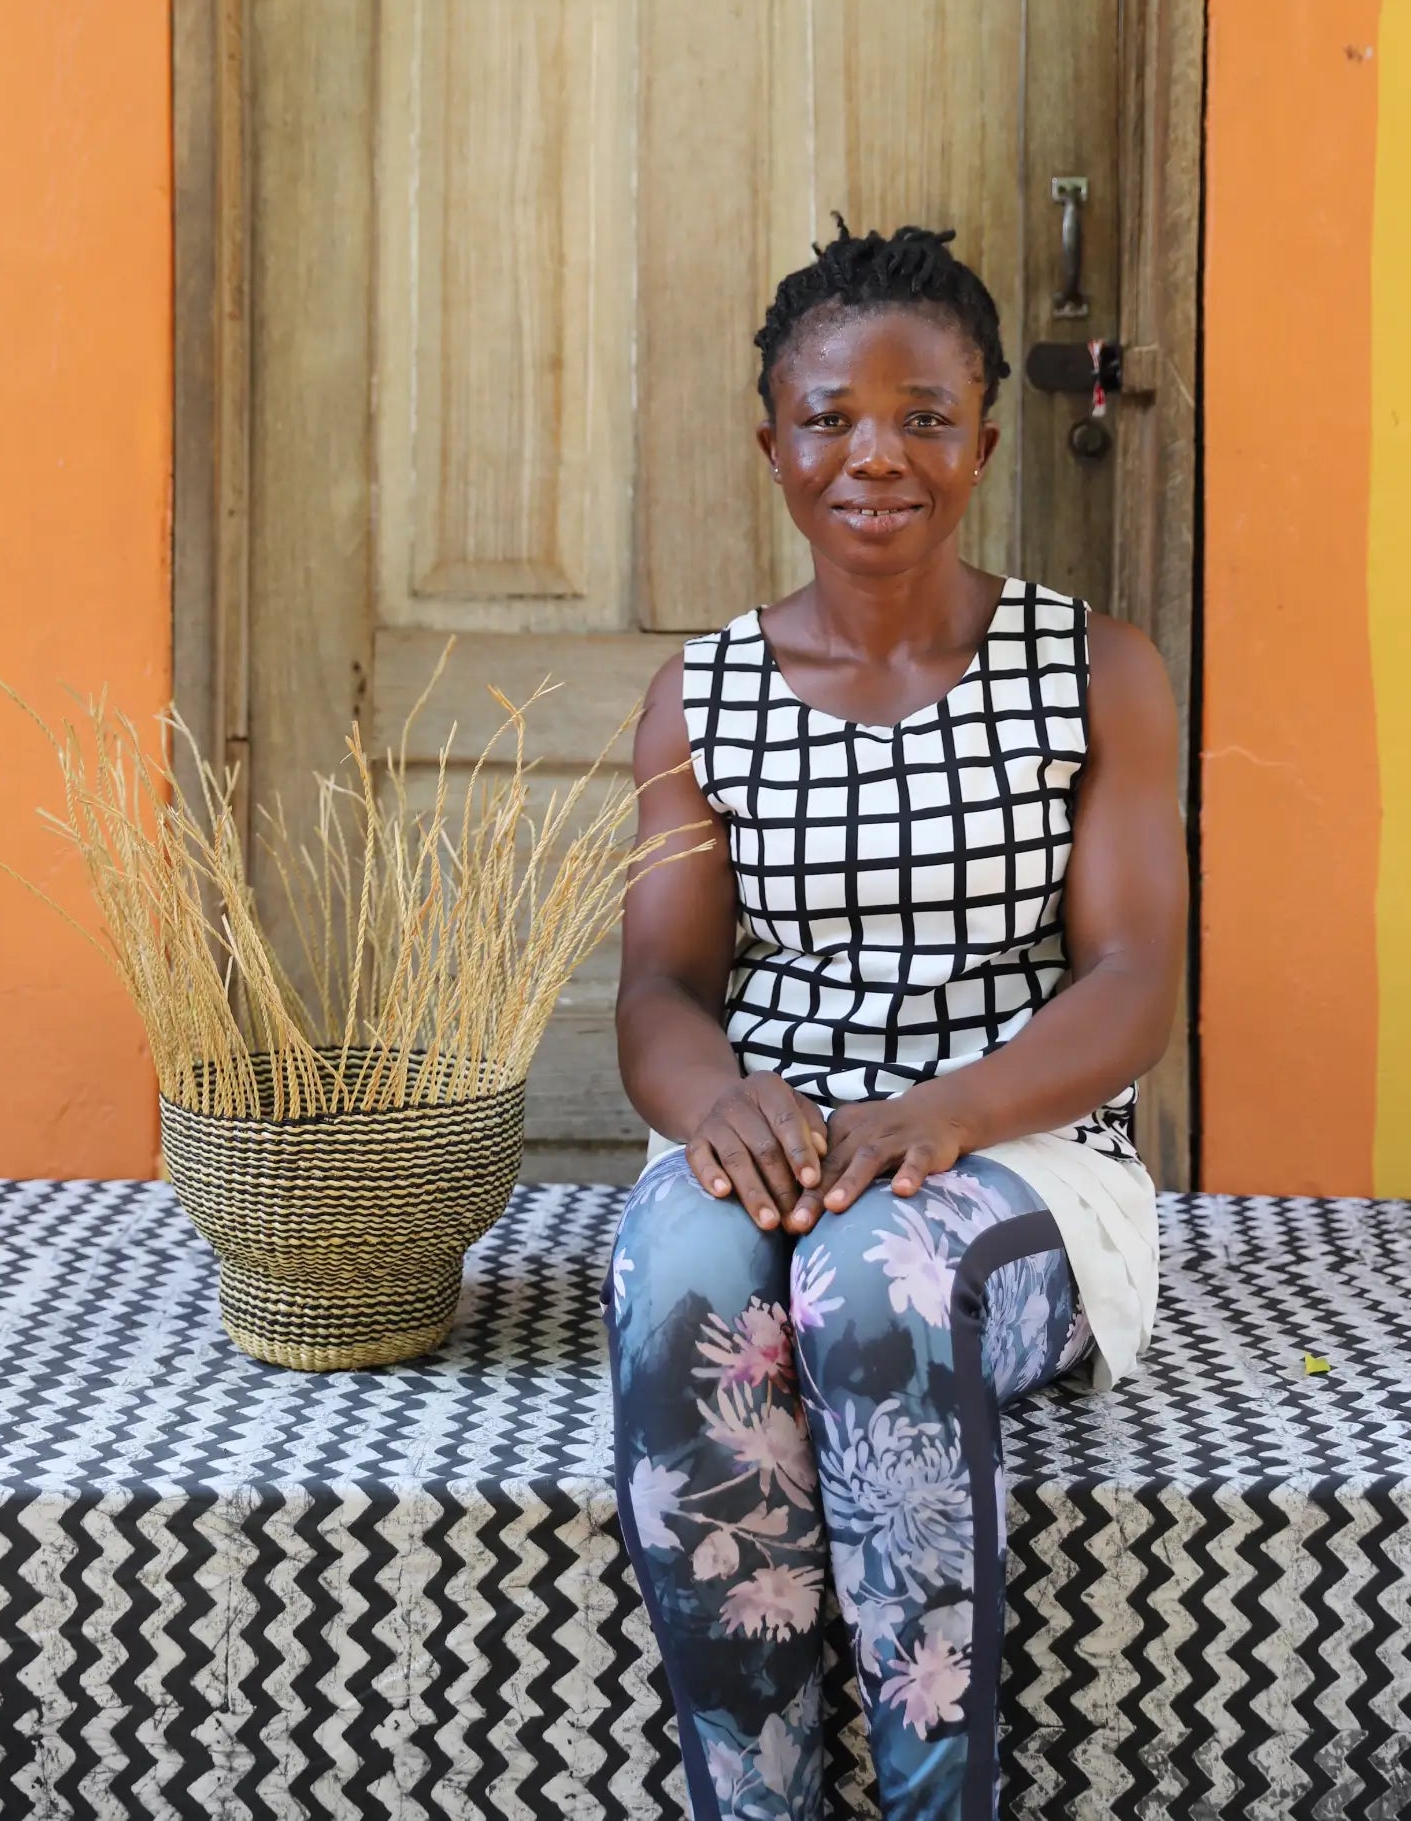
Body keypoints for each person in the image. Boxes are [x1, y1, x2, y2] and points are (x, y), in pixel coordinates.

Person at [602, 219, 1187, 1821]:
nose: (878, 456)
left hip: (1018, 1158)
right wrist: (715, 1103)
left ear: (986, 436)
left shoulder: (1096, 672)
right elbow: (659, 985)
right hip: (781, 1141)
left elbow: (1135, 980)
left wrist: (944, 1115)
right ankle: (759, 1796)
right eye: (832, 419)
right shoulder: (700, 698)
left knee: (874, 1276)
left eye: (925, 416)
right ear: (772, 441)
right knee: (679, 1278)